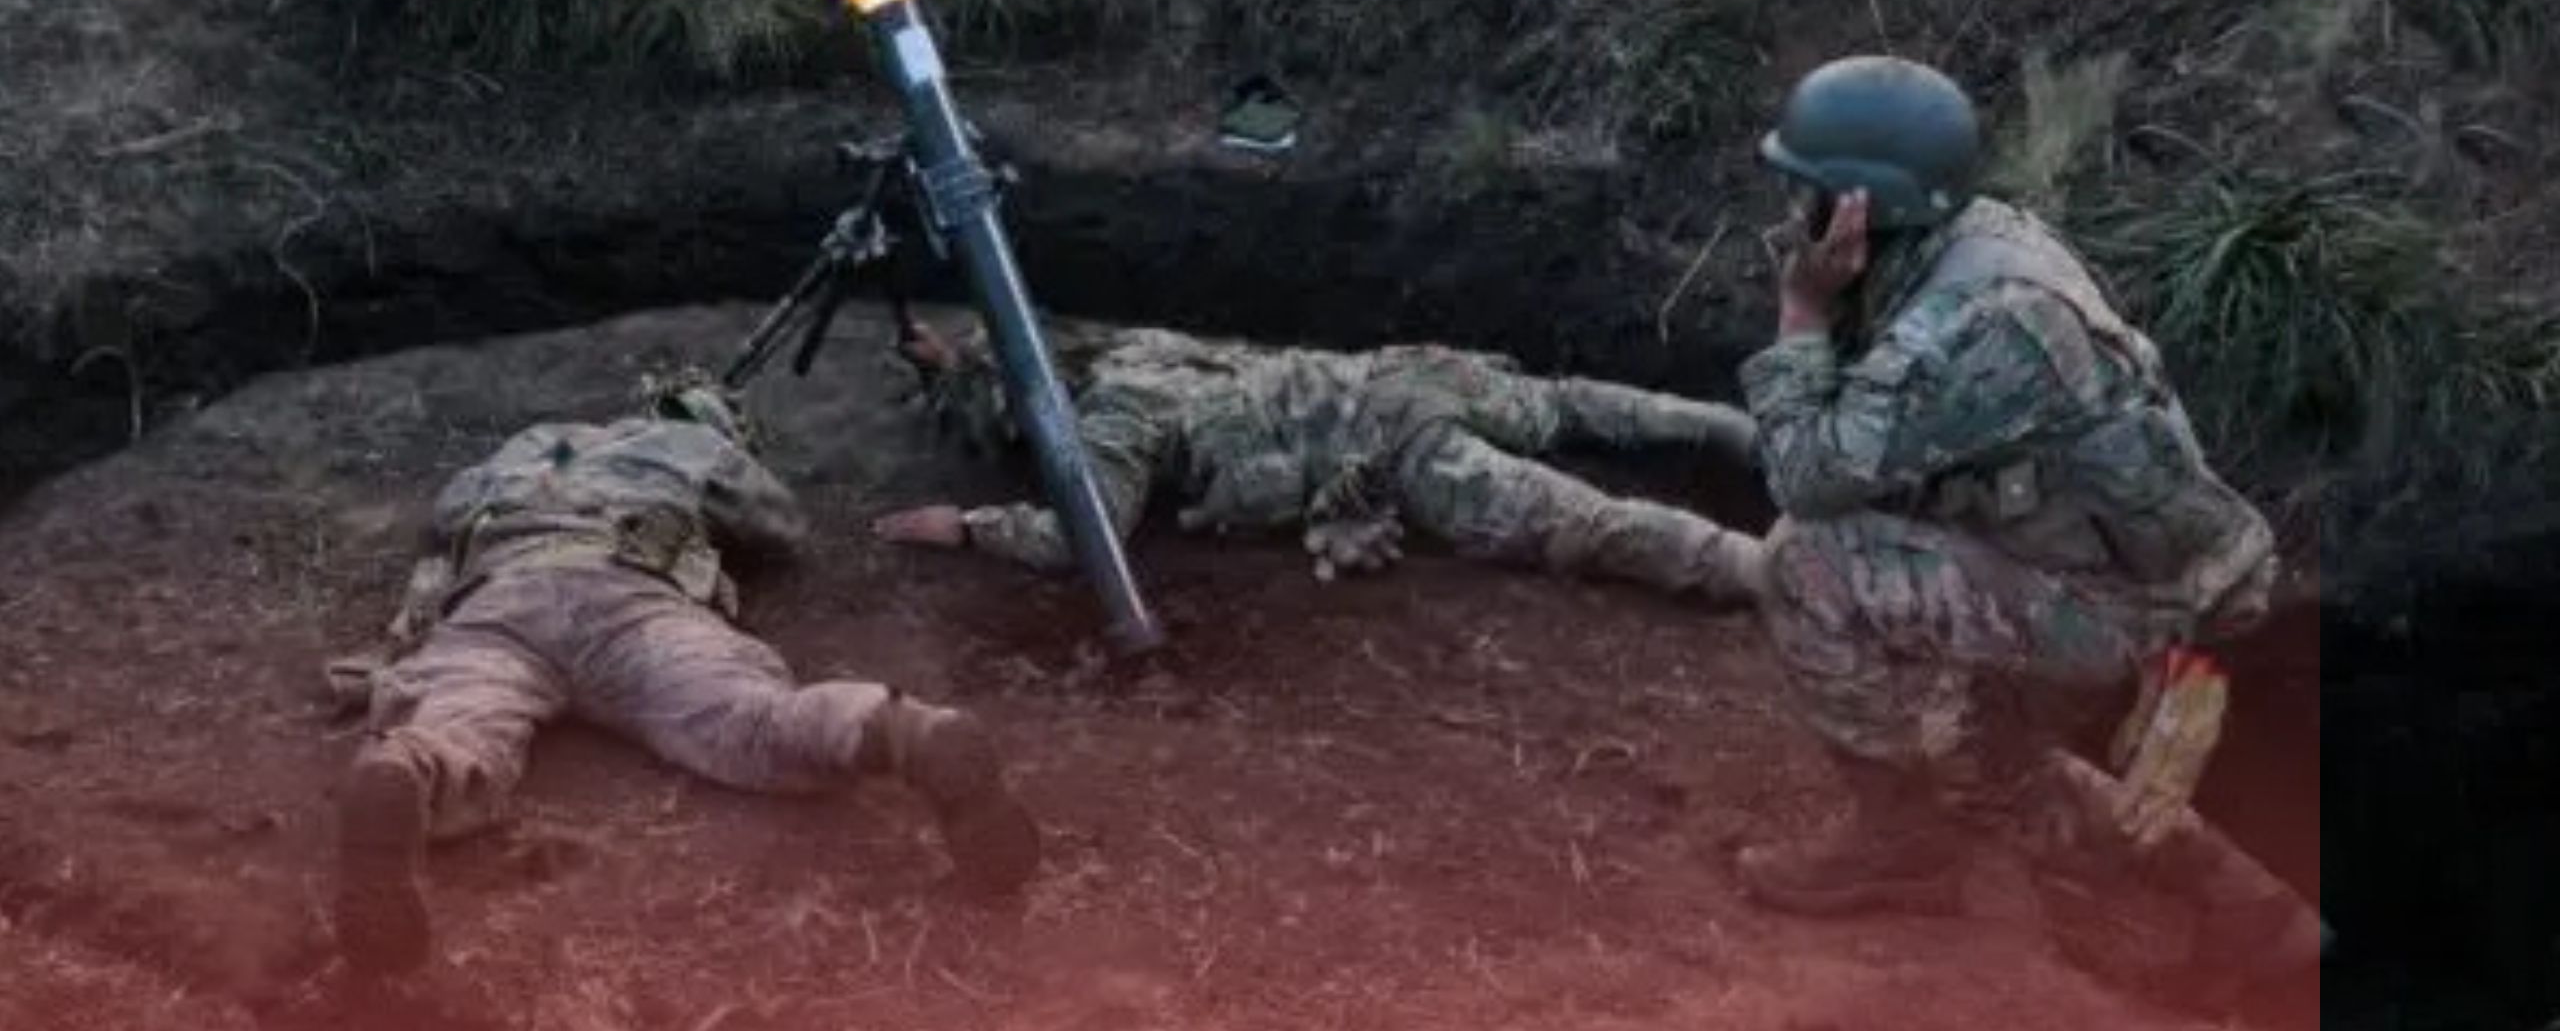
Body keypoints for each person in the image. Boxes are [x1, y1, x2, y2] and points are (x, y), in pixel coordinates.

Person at [1732, 55, 2321, 1012]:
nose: (1790, 207)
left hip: (2127, 607)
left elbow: (1815, 473)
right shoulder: (1970, 239)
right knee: (1982, 759)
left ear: (1858, 206)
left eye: (1804, 188)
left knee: (1809, 562)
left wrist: (1801, 318)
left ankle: (1902, 849)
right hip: (2098, 562)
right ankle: (2256, 910)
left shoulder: (1979, 323)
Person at [327, 371, 1039, 976]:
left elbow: (448, 520)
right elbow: (777, 529)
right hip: (628, 596)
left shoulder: (529, 453)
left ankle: (414, 769)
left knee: (462, 716)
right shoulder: (693, 446)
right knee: (747, 720)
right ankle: (899, 727)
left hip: (502, 598)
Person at [870, 322, 1766, 603]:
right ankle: (1739, 431)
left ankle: (1759, 570)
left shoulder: (1114, 416)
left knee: (1581, 523)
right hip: (1408, 373)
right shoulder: (1137, 348)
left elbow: (1084, 537)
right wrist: (954, 359)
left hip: (1393, 451)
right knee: (1569, 401)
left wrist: (967, 527)